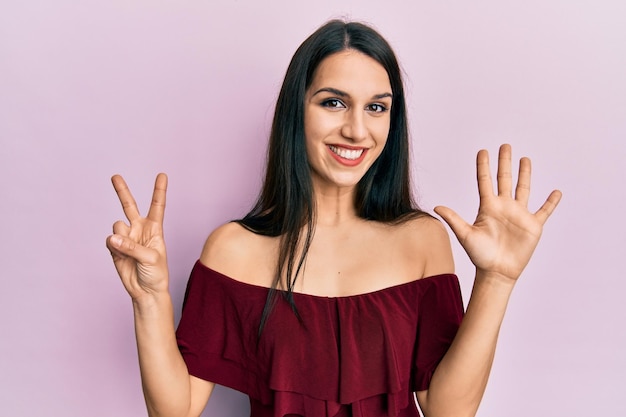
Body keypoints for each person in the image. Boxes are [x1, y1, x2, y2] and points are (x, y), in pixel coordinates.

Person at [106, 20, 561, 417]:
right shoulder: (232, 249)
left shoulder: (422, 240)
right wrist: (150, 299)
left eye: (376, 107)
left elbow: (447, 410)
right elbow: (176, 409)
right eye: (334, 102)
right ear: (296, 110)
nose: (357, 130)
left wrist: (497, 281)